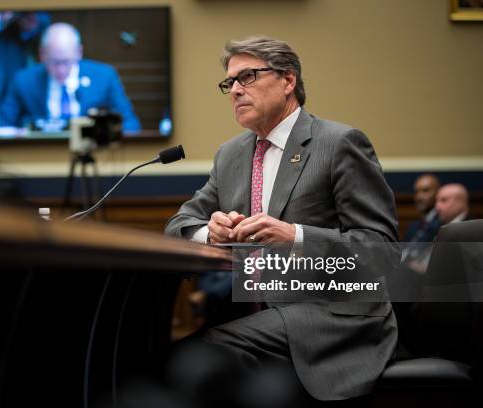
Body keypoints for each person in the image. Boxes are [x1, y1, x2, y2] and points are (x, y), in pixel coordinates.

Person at [165, 37, 399, 402]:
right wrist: (208, 233)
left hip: (331, 316)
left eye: (248, 77)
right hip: (250, 312)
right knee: (162, 354)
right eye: (230, 83)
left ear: (288, 81)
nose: (236, 90)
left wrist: (297, 236)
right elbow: (179, 224)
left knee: (204, 355)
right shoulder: (231, 155)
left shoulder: (339, 143)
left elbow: (382, 251)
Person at [0, 23, 141, 133]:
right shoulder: (24, 80)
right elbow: (3, 126)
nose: (61, 70)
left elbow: (130, 124)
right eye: (54, 62)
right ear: (42, 55)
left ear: (79, 53)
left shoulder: (104, 77)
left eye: (66, 62)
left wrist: (101, 131)